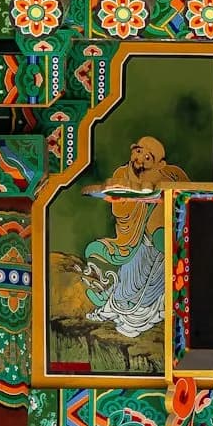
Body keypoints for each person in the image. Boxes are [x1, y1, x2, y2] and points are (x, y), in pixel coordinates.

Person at [77, 137, 188, 338]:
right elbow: (120, 209)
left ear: (159, 163)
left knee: (154, 283)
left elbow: (179, 203)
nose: (140, 159)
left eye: (148, 157)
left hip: (157, 241)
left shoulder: (167, 179)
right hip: (135, 240)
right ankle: (113, 309)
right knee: (129, 279)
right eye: (138, 152)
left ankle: (141, 318)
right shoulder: (122, 175)